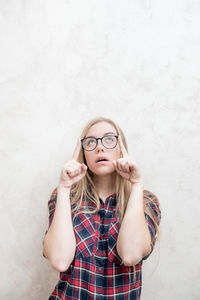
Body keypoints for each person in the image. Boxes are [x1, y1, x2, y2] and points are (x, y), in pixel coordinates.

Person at [43, 116, 161, 300]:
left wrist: (136, 184)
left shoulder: (146, 201)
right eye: (91, 142)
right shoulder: (65, 197)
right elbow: (59, 260)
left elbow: (130, 255)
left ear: (121, 149)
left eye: (109, 139)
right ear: (84, 153)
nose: (99, 147)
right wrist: (64, 187)